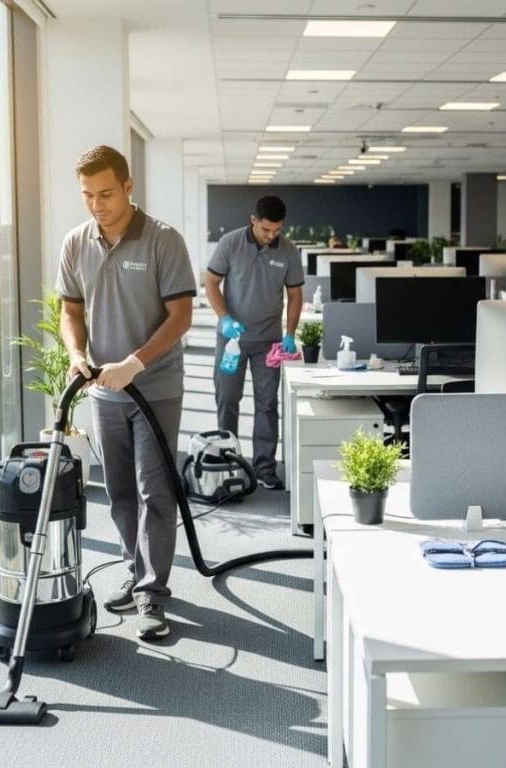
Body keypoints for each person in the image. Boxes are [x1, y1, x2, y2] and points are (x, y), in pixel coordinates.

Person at [56, 145, 196, 641]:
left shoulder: (163, 240)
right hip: (103, 392)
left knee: (154, 491)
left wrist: (135, 363)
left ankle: (154, 595)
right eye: (88, 195)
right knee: (118, 494)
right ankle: (136, 574)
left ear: (129, 186)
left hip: (154, 389)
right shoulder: (76, 242)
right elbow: (71, 311)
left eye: (107, 193)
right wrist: (77, 354)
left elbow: (181, 315)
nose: (97, 204)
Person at [205, 196, 304, 490]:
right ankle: (228, 461)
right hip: (231, 340)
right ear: (253, 220)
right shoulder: (230, 243)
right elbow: (211, 282)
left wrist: (290, 333)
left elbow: (295, 294)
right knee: (227, 400)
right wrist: (224, 318)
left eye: (277, 230)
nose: (271, 235)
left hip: (268, 342)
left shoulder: (288, 250)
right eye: (265, 230)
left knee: (267, 405)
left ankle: (264, 467)